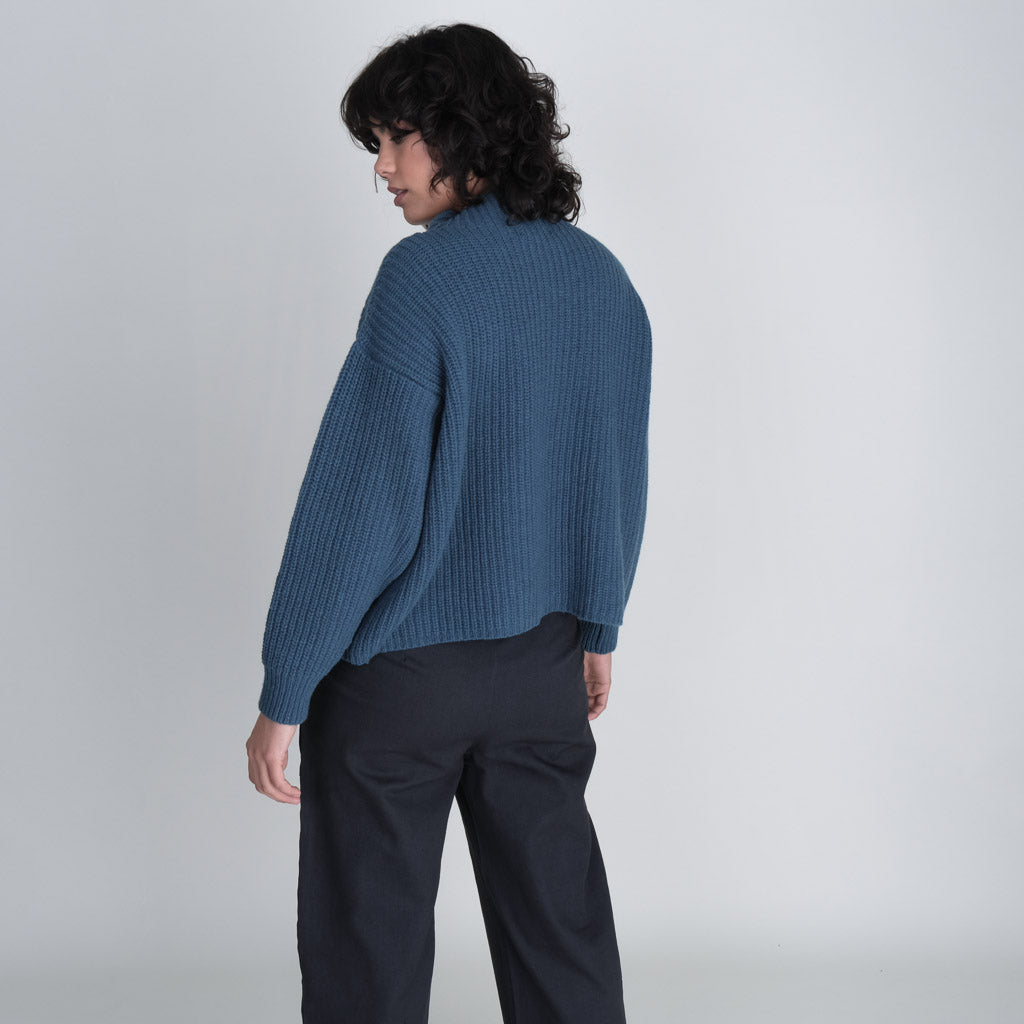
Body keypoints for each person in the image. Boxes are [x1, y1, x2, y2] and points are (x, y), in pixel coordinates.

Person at [245, 22, 652, 1024]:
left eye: (398, 139)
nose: (382, 168)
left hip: (402, 683)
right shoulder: (602, 280)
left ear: (468, 135)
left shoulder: (421, 280)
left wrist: (285, 688)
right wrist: (597, 628)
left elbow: (359, 508)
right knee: (560, 936)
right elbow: (612, 475)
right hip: (541, 668)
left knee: (368, 952)